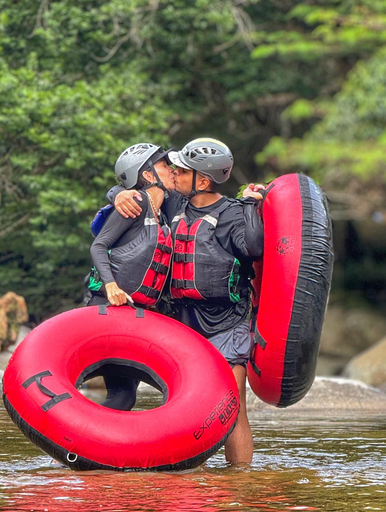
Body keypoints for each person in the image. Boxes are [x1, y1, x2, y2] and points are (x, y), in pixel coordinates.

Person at [112, 138, 264, 464]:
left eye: (181, 170)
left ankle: (241, 483)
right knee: (190, 407)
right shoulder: (173, 205)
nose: (174, 174)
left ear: (203, 180)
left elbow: (253, 246)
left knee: (231, 404)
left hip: (227, 322)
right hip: (182, 321)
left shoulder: (233, 214)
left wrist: (251, 204)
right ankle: (192, 482)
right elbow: (135, 191)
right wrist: (118, 194)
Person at [86, 142, 177, 411]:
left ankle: (78, 452)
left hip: (135, 315)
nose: (171, 169)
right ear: (148, 175)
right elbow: (98, 245)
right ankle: (71, 449)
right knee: (122, 395)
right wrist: (111, 285)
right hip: (105, 308)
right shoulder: (134, 203)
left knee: (124, 397)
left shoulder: (165, 211)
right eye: (164, 165)